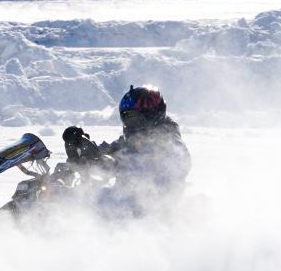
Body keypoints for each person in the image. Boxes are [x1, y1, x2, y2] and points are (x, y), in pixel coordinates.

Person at [60, 85, 191, 218]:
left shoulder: (170, 144)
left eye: (133, 118)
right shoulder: (134, 140)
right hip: (124, 207)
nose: (129, 124)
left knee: (92, 205)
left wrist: (116, 165)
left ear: (151, 116)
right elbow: (110, 149)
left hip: (149, 214)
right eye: (126, 118)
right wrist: (82, 148)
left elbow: (163, 179)